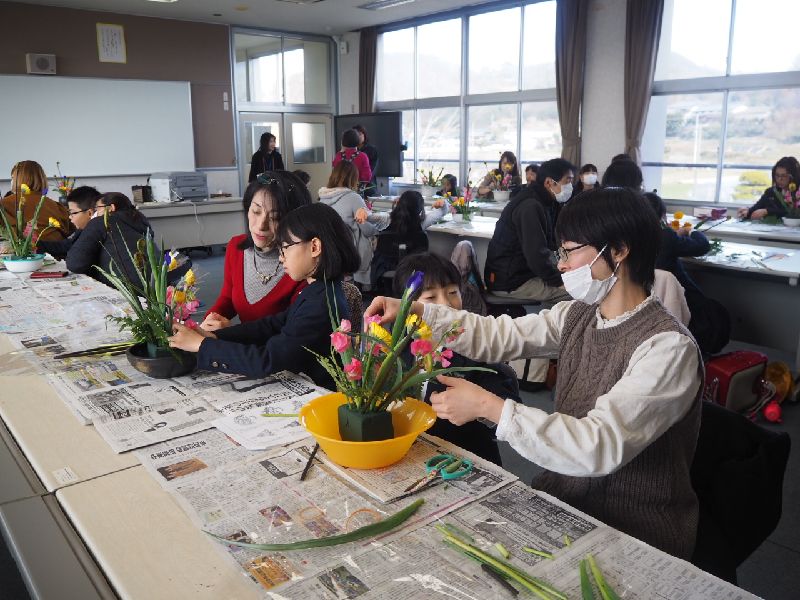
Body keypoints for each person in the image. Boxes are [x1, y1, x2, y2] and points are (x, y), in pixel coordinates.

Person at [366, 188, 704, 559]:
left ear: (619, 250)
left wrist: (490, 407)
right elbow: (497, 335)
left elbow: (598, 445)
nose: (561, 265)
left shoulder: (668, 348)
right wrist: (412, 310)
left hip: (633, 529)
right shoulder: (577, 314)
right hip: (564, 500)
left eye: (570, 251)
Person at [168, 203, 359, 388]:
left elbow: (266, 360)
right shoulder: (318, 290)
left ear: (314, 247)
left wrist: (202, 345)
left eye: (285, 248)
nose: (281, 257)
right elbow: (271, 325)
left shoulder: (322, 303)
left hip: (317, 394)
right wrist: (214, 336)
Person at [392, 252, 520, 465]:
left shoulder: (476, 348)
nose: (446, 304)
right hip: (411, 456)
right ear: (407, 305)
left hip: (463, 462)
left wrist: (481, 406)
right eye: (431, 298)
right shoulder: (398, 346)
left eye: (452, 292)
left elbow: (511, 415)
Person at [202, 171, 311, 331]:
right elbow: (228, 298)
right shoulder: (236, 247)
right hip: (242, 347)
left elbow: (290, 335)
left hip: (273, 351)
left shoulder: (300, 265)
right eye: (256, 211)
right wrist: (212, 318)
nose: (261, 225)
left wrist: (231, 334)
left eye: (274, 217)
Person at [646, 192, 730, 354]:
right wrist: (691, 231)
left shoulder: (631, 238)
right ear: (662, 215)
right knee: (716, 314)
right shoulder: (665, 237)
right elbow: (702, 246)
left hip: (651, 309)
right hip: (685, 308)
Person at [484, 158, 574, 303]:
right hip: (511, 281)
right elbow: (536, 254)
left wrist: (568, 264)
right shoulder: (530, 206)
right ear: (549, 182)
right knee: (577, 294)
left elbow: (554, 241)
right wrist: (559, 281)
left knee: (577, 284)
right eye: (567, 181)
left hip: (524, 273)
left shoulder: (550, 202)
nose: (570, 186)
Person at [66, 192, 152, 286]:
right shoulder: (140, 224)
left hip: (127, 291)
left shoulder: (100, 222)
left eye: (97, 208)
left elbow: (75, 264)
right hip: (155, 288)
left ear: (111, 208)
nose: (95, 213)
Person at [318, 161, 379, 287]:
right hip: (351, 254)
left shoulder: (322, 199)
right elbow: (368, 230)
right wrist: (376, 227)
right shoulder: (353, 198)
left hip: (330, 254)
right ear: (353, 178)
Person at [369, 191, 430, 290]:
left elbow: (367, 218)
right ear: (419, 209)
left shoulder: (385, 222)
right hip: (412, 269)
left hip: (385, 268)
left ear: (399, 204)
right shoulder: (422, 230)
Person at [2, 160, 71, 244]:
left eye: (12, 178)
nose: (11, 181)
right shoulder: (58, 206)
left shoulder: (4, 205)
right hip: (57, 254)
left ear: (17, 179)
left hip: (22, 255)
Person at [36, 186, 102, 260]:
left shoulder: (97, 236)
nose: (70, 217)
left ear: (90, 213)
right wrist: (36, 244)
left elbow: (78, 262)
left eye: (72, 213)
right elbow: (64, 246)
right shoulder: (81, 230)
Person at [353, 124, 379, 196]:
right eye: (355, 134)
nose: (358, 136)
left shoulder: (371, 149)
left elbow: (372, 170)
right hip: (353, 187)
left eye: (360, 134)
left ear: (364, 135)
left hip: (368, 187)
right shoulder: (350, 151)